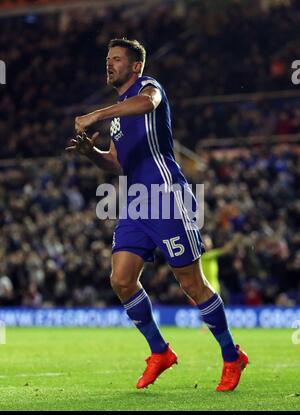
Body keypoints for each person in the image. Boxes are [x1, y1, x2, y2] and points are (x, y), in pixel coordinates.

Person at [66, 38, 248, 391]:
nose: (110, 64)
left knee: (191, 284)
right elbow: (118, 163)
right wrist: (92, 153)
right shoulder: (120, 113)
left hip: (166, 196)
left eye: (117, 59)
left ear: (136, 66)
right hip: (135, 202)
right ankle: (160, 352)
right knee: (120, 279)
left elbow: (148, 103)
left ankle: (231, 355)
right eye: (108, 59)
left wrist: (97, 114)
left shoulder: (149, 89)